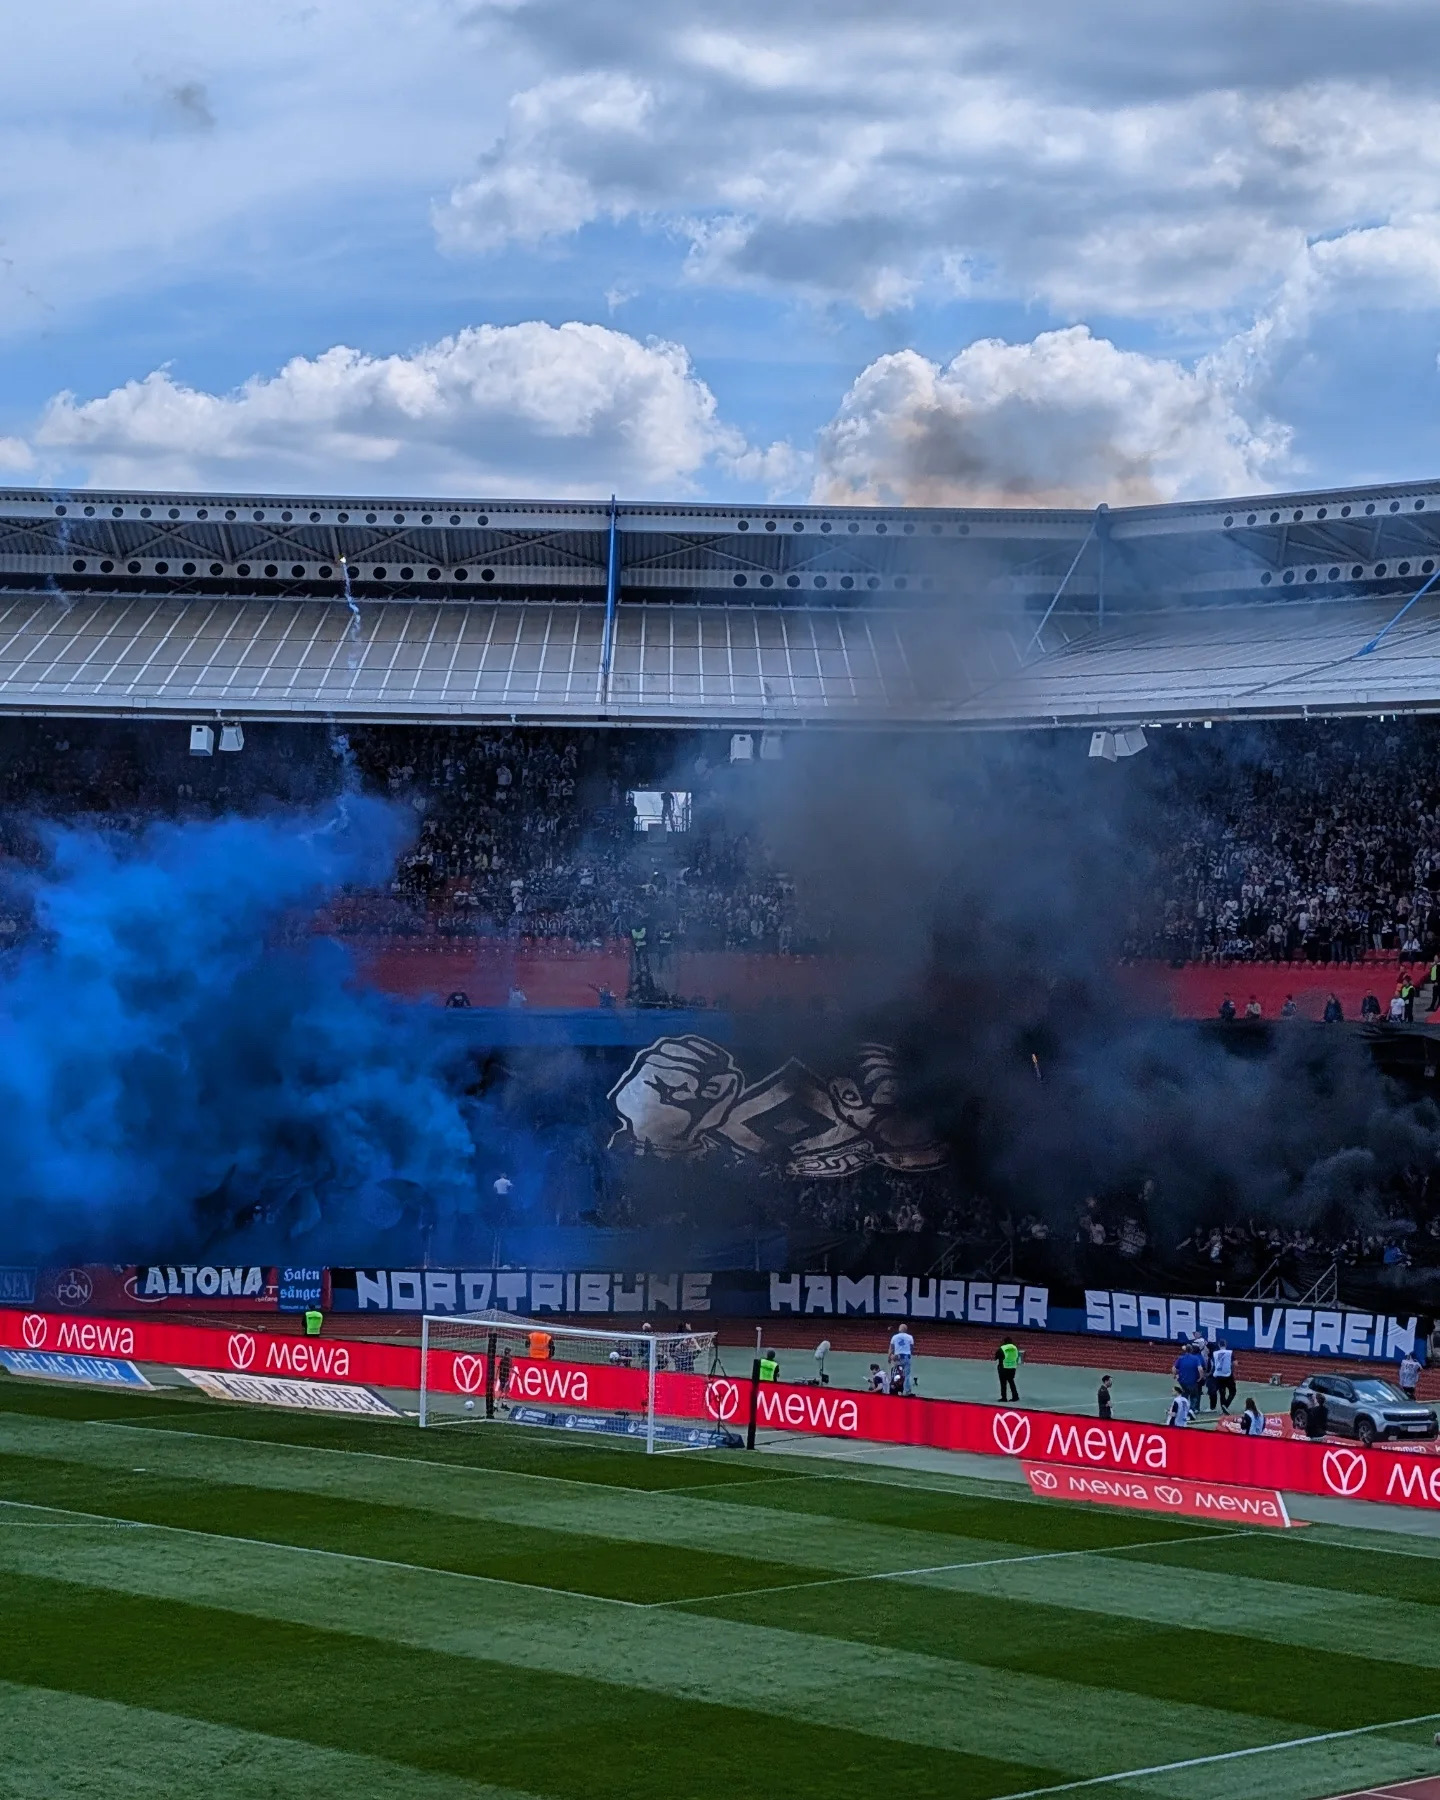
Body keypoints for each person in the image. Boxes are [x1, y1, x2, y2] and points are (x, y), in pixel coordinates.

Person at [1173, 1340, 1205, 1412]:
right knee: (1193, 1396)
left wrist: (1175, 1375)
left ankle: (1184, 1410)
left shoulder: (1180, 1358)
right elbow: (1200, 1369)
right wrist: (1200, 1377)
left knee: (1184, 1396)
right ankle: (1192, 1410)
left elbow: (1174, 1368)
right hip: (1192, 1381)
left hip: (1182, 1382)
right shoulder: (1196, 1359)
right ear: (1191, 1350)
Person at [889, 1322, 915, 1396]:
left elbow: (891, 1348)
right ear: (906, 1330)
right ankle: (907, 1391)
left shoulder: (894, 1337)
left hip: (897, 1357)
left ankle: (894, 1388)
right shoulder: (910, 1337)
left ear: (899, 1329)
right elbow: (911, 1348)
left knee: (895, 1373)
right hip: (906, 1357)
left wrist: (889, 1357)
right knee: (907, 1375)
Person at [1211, 1338, 1236, 1412]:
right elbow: (1235, 1363)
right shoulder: (1229, 1352)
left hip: (1218, 1374)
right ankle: (1226, 1405)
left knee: (1222, 1393)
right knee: (1233, 1391)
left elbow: (1213, 1363)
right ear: (1226, 1344)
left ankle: (1223, 1408)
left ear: (1219, 1345)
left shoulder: (1215, 1353)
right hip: (1227, 1374)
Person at [997, 1335, 1021, 1403]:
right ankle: (1015, 1396)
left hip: (1004, 1367)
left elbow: (996, 1356)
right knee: (1011, 1381)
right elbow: (1017, 1356)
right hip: (1012, 1367)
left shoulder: (1002, 1348)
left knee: (1003, 1383)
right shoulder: (1015, 1348)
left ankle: (1004, 1398)